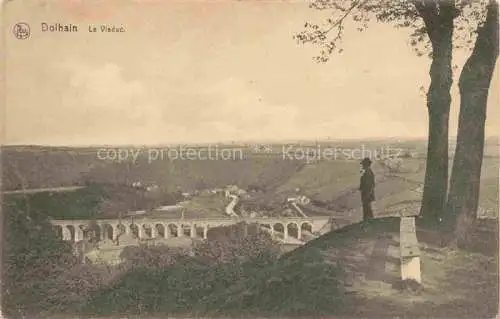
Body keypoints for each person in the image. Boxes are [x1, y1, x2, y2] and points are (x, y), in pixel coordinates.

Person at [359, 157, 375, 221]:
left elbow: (369, 185)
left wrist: (367, 194)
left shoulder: (368, 172)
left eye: (363, 164)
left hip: (367, 193)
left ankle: (367, 220)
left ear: (366, 165)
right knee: (366, 207)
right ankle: (367, 219)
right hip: (366, 193)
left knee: (366, 207)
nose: (362, 166)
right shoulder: (367, 172)